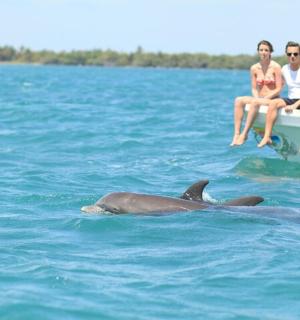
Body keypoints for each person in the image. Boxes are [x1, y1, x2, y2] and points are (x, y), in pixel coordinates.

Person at [230, 40, 282, 146]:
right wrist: (257, 97)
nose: (263, 52)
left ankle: (244, 134)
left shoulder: (276, 67)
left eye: (266, 50)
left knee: (255, 103)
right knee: (238, 100)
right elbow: (254, 88)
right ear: (258, 51)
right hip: (260, 98)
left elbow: (279, 88)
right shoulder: (254, 68)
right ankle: (236, 134)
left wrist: (266, 97)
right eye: (261, 50)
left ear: (270, 52)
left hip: (272, 99)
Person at [258, 41, 300, 148]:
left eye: (295, 54)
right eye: (289, 54)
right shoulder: (284, 69)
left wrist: (295, 106)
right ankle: (267, 136)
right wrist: (265, 97)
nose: (292, 56)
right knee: (273, 104)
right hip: (291, 99)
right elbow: (278, 87)